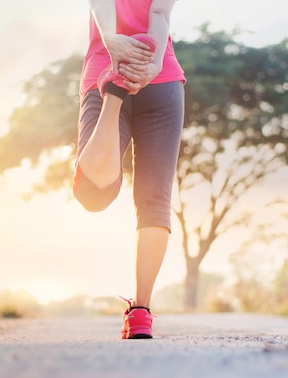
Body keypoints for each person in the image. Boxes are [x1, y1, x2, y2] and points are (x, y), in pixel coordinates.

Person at [73, 0, 185, 339]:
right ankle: (140, 314)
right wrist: (150, 63)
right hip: (161, 76)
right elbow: (160, 14)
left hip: (105, 69)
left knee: (92, 195)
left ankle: (113, 99)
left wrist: (112, 42)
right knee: (155, 202)